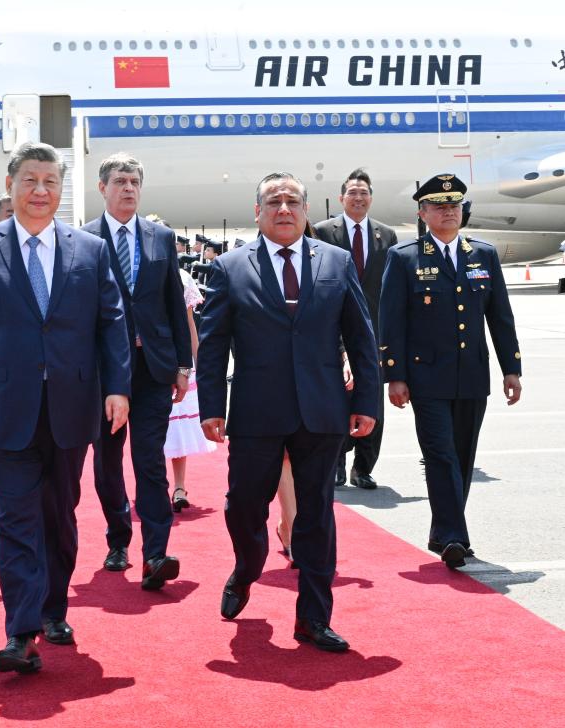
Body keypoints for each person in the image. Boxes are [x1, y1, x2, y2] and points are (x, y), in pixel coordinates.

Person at [0, 142, 130, 674]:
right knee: (15, 520)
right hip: (4, 407)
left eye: (50, 181)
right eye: (30, 180)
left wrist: (116, 386)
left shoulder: (90, 250)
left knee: (59, 517)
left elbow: (112, 322)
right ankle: (20, 631)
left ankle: (54, 610)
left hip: (72, 407)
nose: (40, 191)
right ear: (11, 185)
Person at [198, 171, 379, 653]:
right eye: (273, 201)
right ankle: (247, 566)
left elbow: (362, 340)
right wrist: (211, 406)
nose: (283, 209)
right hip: (257, 411)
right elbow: (213, 346)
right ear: (257, 212)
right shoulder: (230, 267)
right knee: (244, 508)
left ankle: (313, 618)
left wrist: (366, 402)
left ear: (305, 211)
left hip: (322, 411)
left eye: (292, 201)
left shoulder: (338, 264)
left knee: (317, 515)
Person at [379, 174, 522, 569]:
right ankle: (455, 537)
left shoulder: (484, 254)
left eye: (454, 205)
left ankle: (444, 531)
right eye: (439, 206)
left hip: (473, 376)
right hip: (426, 378)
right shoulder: (405, 257)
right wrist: (395, 375)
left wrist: (512, 368)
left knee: (462, 456)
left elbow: (501, 317)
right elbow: (392, 322)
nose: (448, 211)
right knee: (440, 455)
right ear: (423, 213)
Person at [82, 153, 190, 586]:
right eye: (119, 181)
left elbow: (173, 303)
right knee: (108, 461)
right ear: (102, 188)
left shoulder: (160, 237)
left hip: (152, 367)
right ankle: (118, 538)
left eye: (134, 182)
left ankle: (156, 553)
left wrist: (183, 363)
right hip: (105, 372)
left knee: (149, 460)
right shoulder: (83, 240)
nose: (128, 188)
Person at [314, 169, 398, 489]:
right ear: (341, 198)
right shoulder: (322, 231)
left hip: (373, 331)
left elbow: (389, 288)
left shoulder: (386, 235)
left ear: (371, 198)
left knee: (371, 399)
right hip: (332, 328)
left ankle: (363, 467)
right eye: (352, 192)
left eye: (364, 192)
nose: (358, 198)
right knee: (335, 397)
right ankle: (336, 462)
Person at [163, 264, 215, 511]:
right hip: (147, 361)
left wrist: (197, 362)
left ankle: (179, 486)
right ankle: (152, 485)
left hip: (179, 364)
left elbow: (189, 325)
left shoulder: (181, 278)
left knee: (178, 426)